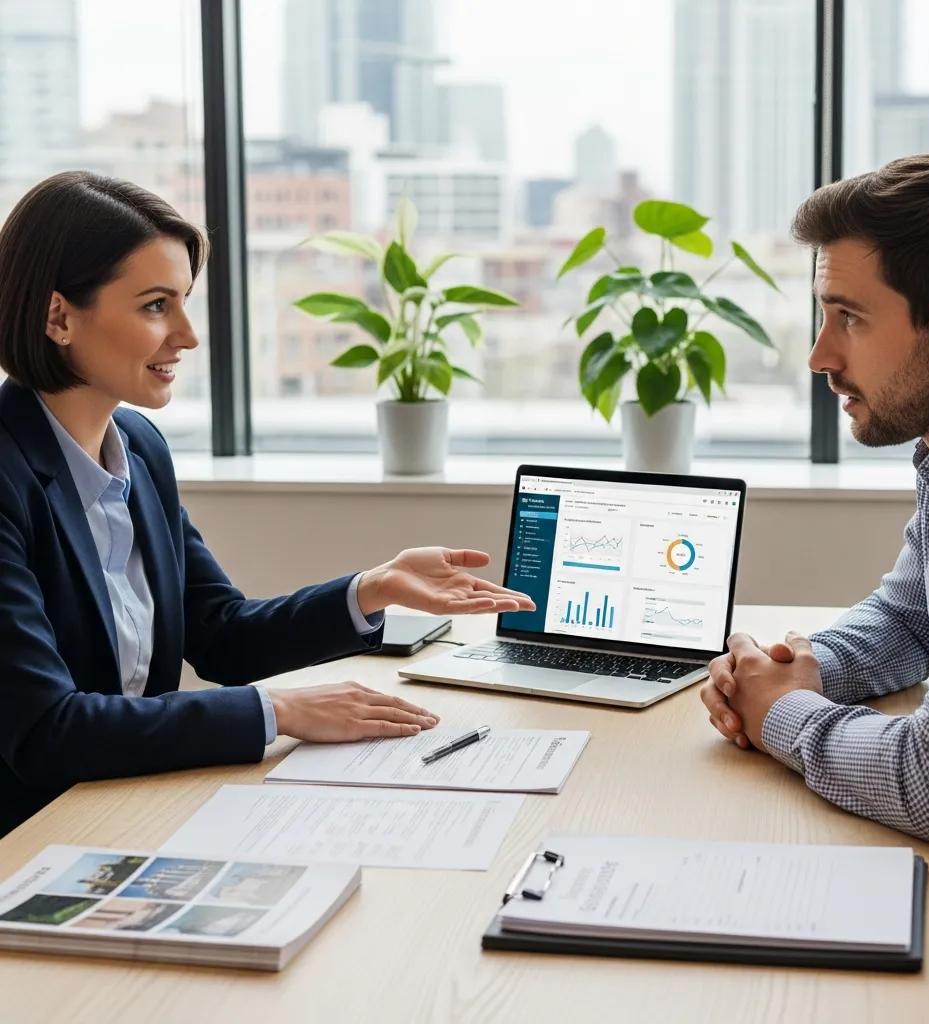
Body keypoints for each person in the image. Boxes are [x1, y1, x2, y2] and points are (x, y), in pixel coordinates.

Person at [0, 170, 535, 837]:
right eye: (156, 306)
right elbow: (46, 730)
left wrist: (371, 589)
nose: (189, 335)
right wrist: (278, 711)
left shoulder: (137, 448)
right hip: (31, 835)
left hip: (123, 808)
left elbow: (222, 635)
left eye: (185, 302)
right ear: (57, 316)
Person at [700, 151, 929, 1023]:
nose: (818, 355)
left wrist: (779, 716)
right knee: (744, 911)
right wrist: (789, 663)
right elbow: (909, 617)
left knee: (799, 1004)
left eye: (848, 317)